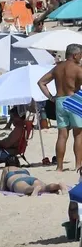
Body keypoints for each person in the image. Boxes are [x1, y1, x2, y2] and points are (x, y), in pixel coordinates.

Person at [38, 44, 82, 172]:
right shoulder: (78, 69)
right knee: (78, 134)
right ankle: (78, 165)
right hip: (74, 99)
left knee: (62, 135)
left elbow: (41, 82)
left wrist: (51, 98)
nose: (81, 57)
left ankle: (59, 167)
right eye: (80, 54)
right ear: (75, 55)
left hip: (59, 101)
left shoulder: (57, 68)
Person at [0, 166, 67, 196]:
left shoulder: (6, 169)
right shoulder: (23, 170)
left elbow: (2, 188)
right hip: (31, 178)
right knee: (45, 187)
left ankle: (34, 189)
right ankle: (58, 186)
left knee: (26, 188)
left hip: (17, 180)